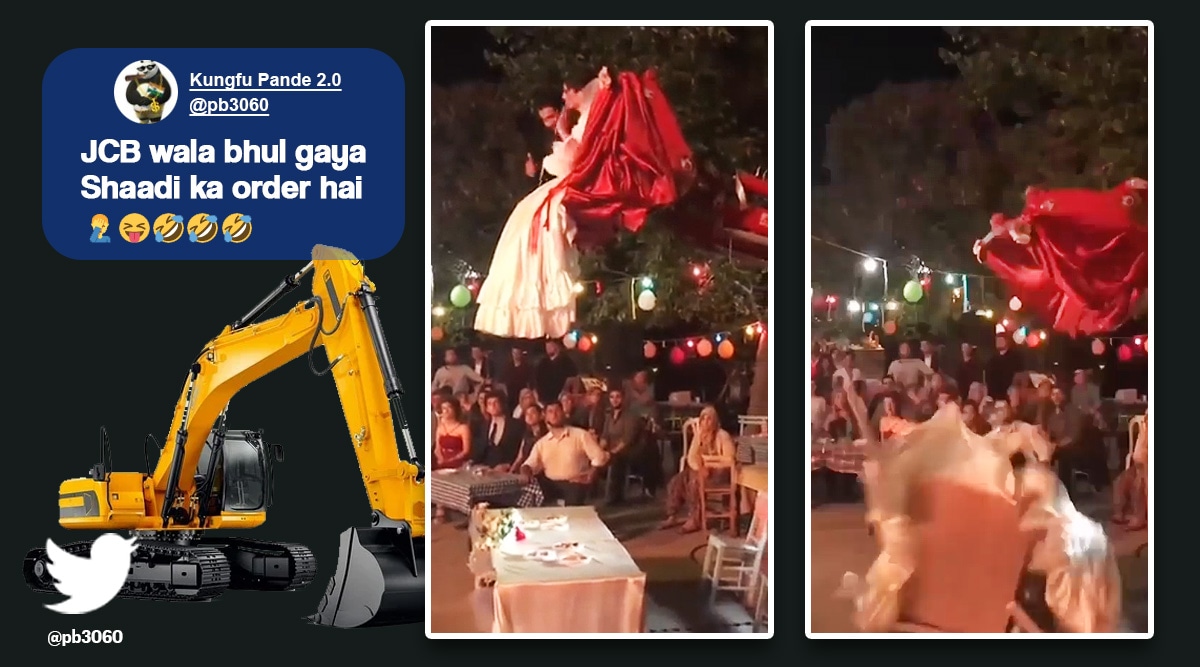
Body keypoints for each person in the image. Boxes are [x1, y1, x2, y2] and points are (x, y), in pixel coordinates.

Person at [473, 66, 692, 339]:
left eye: (566, 92)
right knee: (526, 217)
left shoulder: (592, 114)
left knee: (538, 219)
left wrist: (565, 134)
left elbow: (581, 156)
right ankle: (528, 291)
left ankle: (540, 289)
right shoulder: (585, 116)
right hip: (573, 178)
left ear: (577, 90)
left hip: (583, 181)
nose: (564, 98)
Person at [660, 405, 735, 533]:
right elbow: (692, 456)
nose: (706, 422)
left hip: (718, 472)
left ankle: (694, 519)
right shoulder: (700, 436)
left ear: (715, 421)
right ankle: (672, 515)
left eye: (709, 419)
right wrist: (699, 468)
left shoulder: (723, 436)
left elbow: (729, 459)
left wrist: (709, 465)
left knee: (694, 484)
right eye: (703, 419)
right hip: (701, 470)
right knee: (677, 481)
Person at [519, 402, 610, 506]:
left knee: (574, 494)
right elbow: (530, 463)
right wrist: (525, 471)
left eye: (557, 410)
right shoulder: (542, 443)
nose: (554, 414)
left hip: (575, 484)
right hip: (551, 484)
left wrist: (592, 472)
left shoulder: (580, 435)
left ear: (563, 413)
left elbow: (600, 456)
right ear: (545, 416)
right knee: (529, 491)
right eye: (550, 411)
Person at [600, 387, 649, 505]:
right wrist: (598, 450)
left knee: (615, 459)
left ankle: (611, 498)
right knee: (595, 457)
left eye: (618, 397)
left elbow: (628, 439)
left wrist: (612, 453)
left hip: (630, 450)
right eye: (612, 397)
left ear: (623, 398)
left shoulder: (631, 415)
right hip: (612, 449)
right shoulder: (609, 416)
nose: (615, 400)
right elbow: (605, 436)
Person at [1112, 410, 1148, 530]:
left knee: (1140, 480)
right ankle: (1119, 513)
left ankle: (1139, 517)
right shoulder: (1145, 426)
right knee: (1121, 480)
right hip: (1140, 463)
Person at [475, 392, 525, 471]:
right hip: (486, 469)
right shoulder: (483, 426)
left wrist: (509, 465)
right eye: (489, 403)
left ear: (502, 404)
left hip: (507, 468)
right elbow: (480, 449)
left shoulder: (516, 425)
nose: (493, 406)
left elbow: (521, 449)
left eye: (496, 402)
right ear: (487, 408)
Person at [534, 340, 577, 404]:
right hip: (543, 399)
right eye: (546, 345)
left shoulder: (566, 361)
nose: (547, 347)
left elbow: (573, 379)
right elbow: (536, 379)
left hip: (560, 399)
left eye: (549, 345)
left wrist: (565, 391)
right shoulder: (543, 362)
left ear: (556, 345)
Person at [985, 334, 1020, 400]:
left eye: (1000, 340)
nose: (998, 343)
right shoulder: (992, 359)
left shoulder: (1014, 357)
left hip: (1008, 388)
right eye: (997, 341)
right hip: (993, 390)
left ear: (1007, 342)